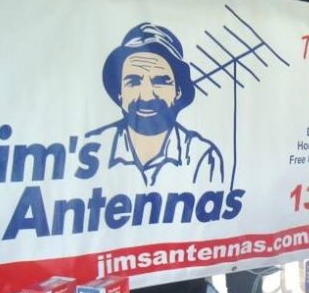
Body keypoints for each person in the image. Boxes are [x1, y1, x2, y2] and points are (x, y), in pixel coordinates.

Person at [87, 22, 224, 186]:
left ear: (177, 91)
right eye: (134, 82)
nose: (146, 96)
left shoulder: (202, 156)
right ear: (119, 93)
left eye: (159, 82)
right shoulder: (93, 150)